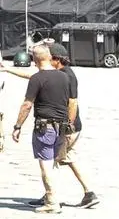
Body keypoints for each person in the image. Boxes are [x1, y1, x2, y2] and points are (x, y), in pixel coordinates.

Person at [1, 44, 100, 209]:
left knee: (50, 160)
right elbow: (35, 77)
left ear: (56, 60)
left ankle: (53, 199)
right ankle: (86, 193)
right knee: (65, 159)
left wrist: (69, 125)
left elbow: (72, 102)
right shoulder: (58, 74)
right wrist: (8, 70)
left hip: (67, 126)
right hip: (66, 125)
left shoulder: (67, 76)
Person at [8, 45, 76, 214]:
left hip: (45, 127)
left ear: (34, 60)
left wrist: (17, 126)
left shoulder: (37, 79)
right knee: (52, 163)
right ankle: (49, 196)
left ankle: (52, 201)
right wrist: (70, 124)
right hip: (61, 126)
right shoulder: (64, 77)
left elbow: (27, 104)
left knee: (45, 165)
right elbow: (72, 102)